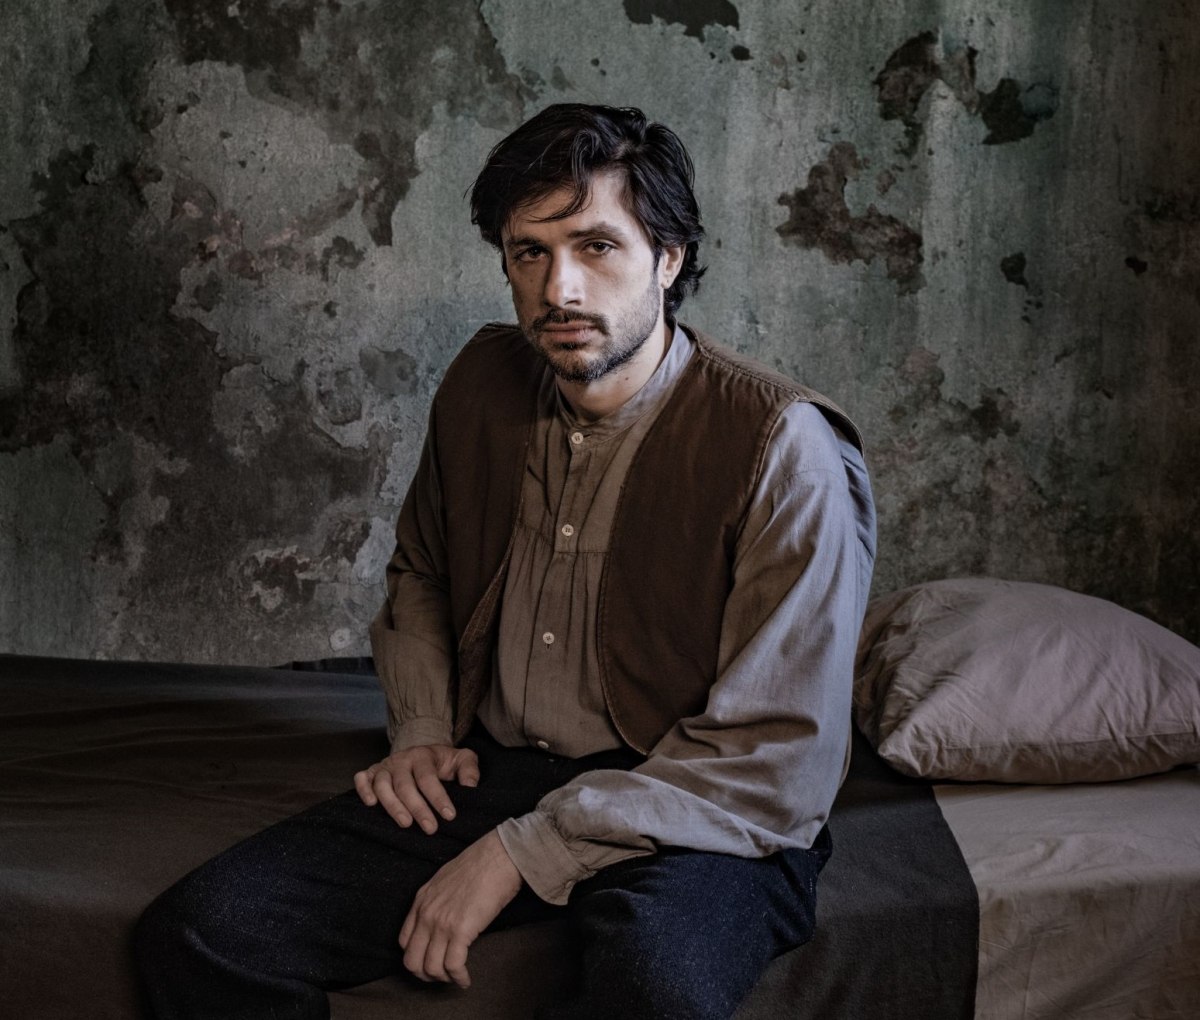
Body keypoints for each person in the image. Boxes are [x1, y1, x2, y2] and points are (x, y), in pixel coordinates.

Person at [134, 103, 876, 1020]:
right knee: (209, 930)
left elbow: (779, 753)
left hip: (698, 801)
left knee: (652, 987)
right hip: (500, 769)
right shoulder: (483, 382)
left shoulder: (780, 445)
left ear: (669, 259)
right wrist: (421, 731)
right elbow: (424, 574)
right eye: (530, 252)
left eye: (596, 246)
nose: (559, 288)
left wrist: (518, 855)